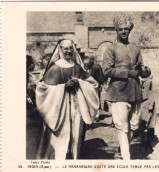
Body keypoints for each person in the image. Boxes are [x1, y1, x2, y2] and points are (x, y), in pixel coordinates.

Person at [35, 39, 99, 159]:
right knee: (60, 138)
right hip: (60, 109)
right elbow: (42, 88)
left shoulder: (77, 67)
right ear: (61, 49)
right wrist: (63, 86)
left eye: (70, 48)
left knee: (76, 135)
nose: (68, 51)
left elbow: (93, 84)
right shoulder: (54, 68)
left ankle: (74, 158)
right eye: (66, 48)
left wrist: (79, 82)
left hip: (76, 107)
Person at [102, 14, 147, 160]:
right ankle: (126, 159)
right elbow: (106, 70)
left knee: (134, 125)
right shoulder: (111, 48)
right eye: (120, 29)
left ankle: (122, 151)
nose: (123, 32)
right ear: (116, 30)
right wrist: (127, 73)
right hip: (118, 92)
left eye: (126, 29)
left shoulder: (135, 48)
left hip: (134, 91)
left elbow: (140, 66)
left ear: (129, 30)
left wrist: (145, 70)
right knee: (122, 127)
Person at [82, 55, 105, 123]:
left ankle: (96, 116)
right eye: (85, 64)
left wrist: (100, 84)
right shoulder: (84, 68)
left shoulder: (96, 67)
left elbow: (100, 76)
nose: (85, 65)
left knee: (96, 99)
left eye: (87, 64)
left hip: (95, 86)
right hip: (87, 87)